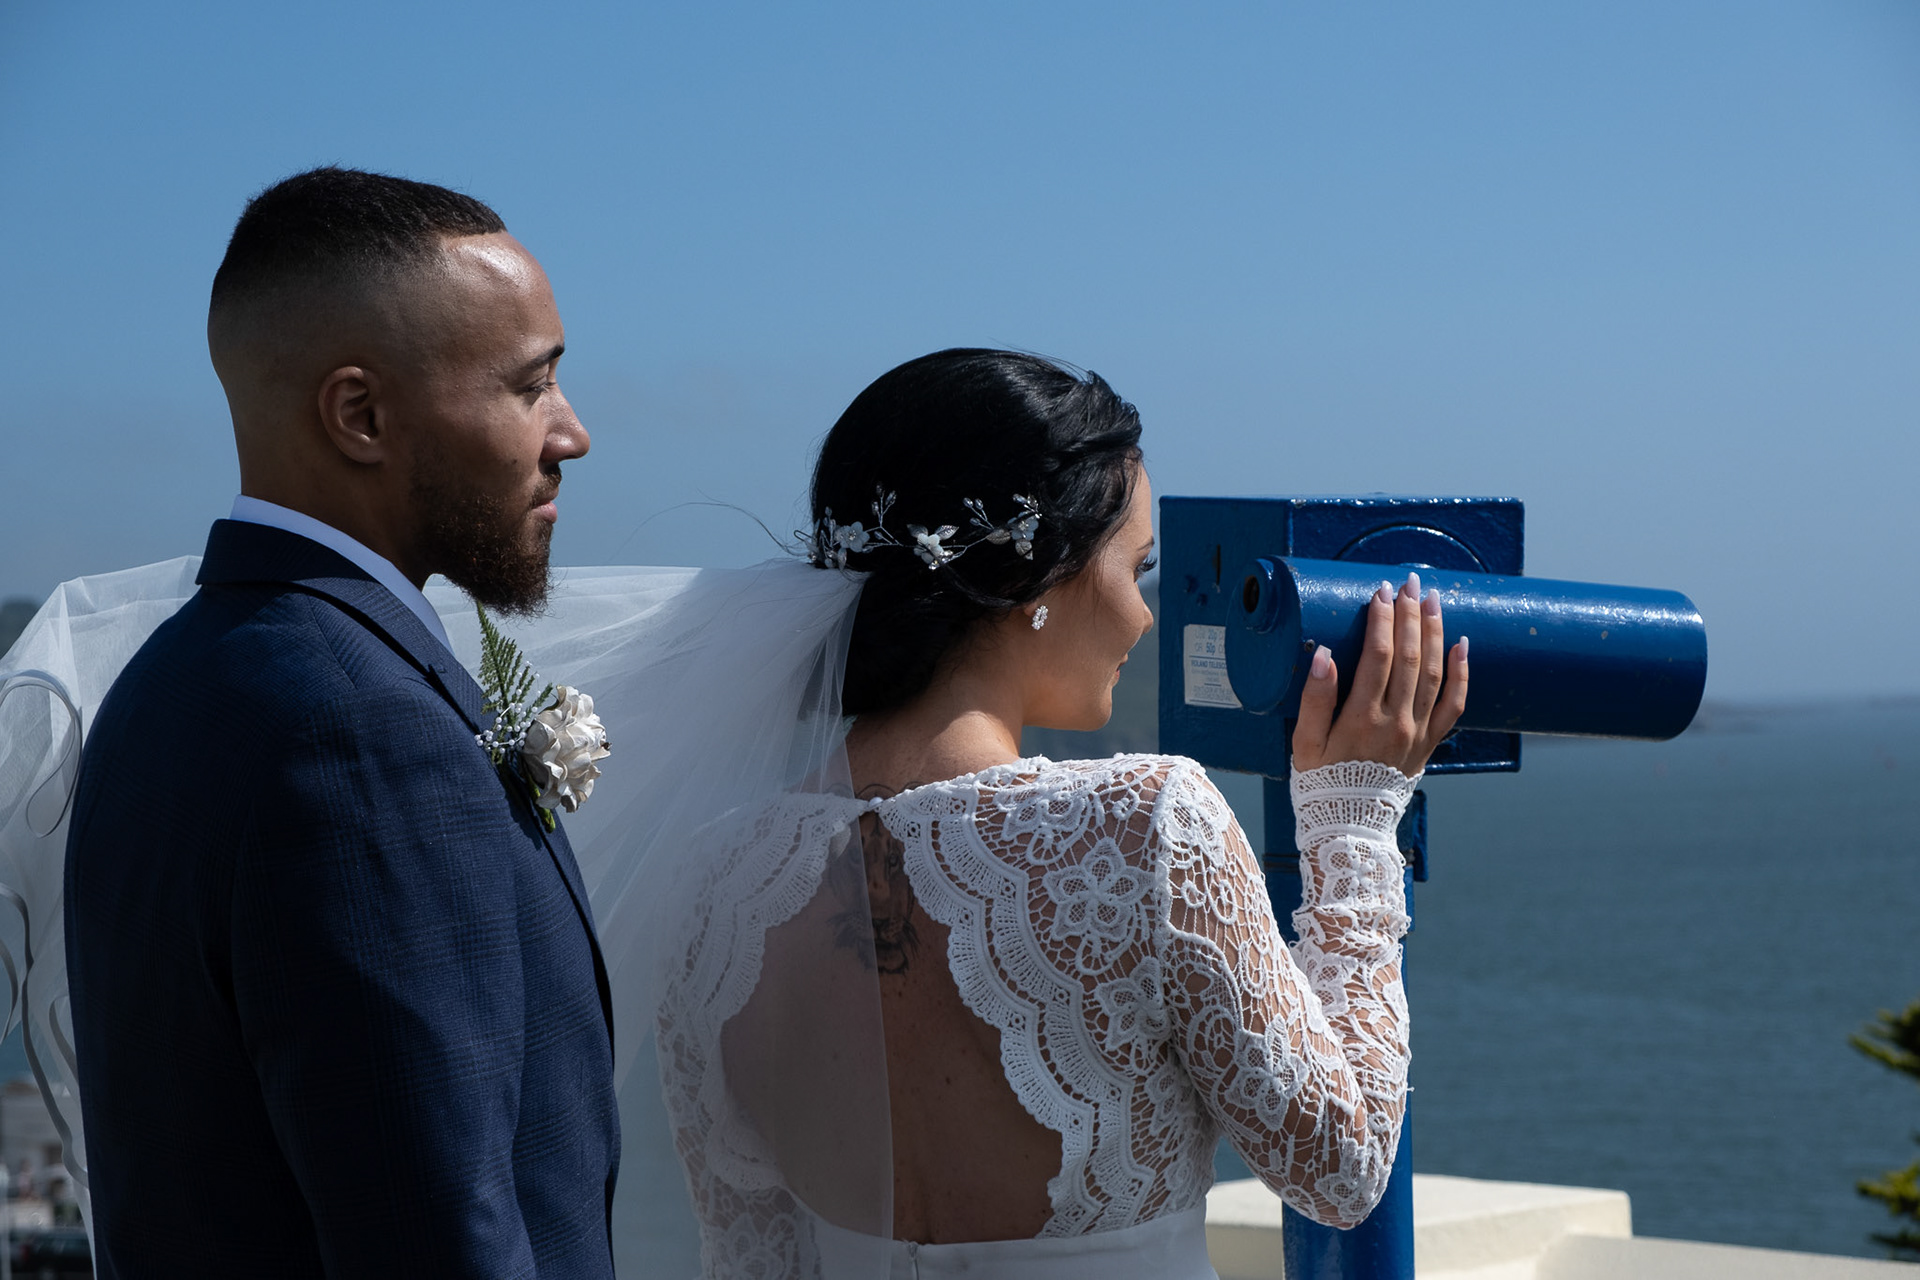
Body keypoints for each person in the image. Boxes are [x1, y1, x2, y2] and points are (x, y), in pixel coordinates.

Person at [647, 348, 1468, 1277]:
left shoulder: (713, 880)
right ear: (1036, 576)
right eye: (1136, 567)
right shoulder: (1143, 825)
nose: (1145, 616)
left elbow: (752, 1257)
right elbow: (1342, 1171)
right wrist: (1352, 819)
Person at [59, 167, 619, 1277]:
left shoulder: (176, 674)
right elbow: (439, 1239)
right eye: (531, 385)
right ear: (360, 415)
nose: (572, 433)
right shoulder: (358, 731)